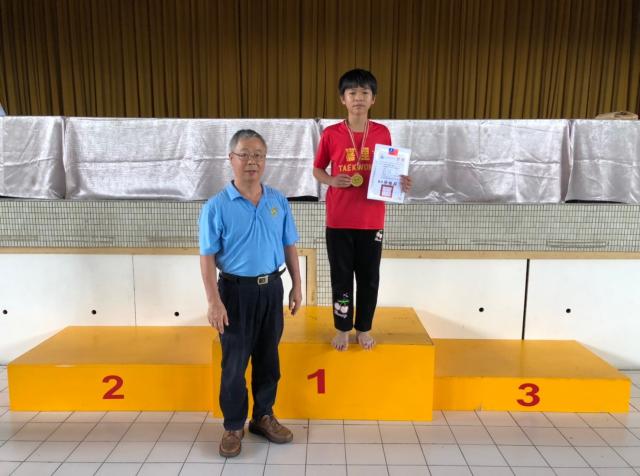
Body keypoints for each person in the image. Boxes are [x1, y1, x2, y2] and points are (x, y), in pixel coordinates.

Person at [199, 129, 302, 458]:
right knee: (234, 363)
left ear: (265, 160)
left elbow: (289, 244)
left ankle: (263, 416)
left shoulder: (277, 201)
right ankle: (233, 426)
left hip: (271, 289)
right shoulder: (216, 206)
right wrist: (214, 301)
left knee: (268, 358)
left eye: (258, 155)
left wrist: (297, 285)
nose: (252, 161)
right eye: (244, 154)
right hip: (234, 293)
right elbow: (207, 257)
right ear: (231, 159)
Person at [313, 69, 411, 351]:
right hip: (339, 220)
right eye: (352, 93)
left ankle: (364, 328)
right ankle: (343, 328)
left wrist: (400, 180)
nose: (358, 98)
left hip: (371, 219)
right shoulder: (331, 134)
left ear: (373, 99)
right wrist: (332, 180)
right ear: (342, 99)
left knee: (369, 279)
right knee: (341, 278)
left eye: (364, 93)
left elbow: (389, 169)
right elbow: (318, 170)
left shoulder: (382, 132)